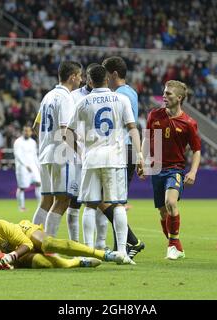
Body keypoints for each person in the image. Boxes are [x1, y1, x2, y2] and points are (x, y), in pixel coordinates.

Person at [66, 65, 143, 265]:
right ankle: (123, 253)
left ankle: (90, 253)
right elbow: (132, 129)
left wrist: (81, 152)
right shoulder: (122, 99)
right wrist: (141, 154)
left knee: (90, 206)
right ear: (107, 79)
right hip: (115, 159)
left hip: (91, 159)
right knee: (117, 205)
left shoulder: (83, 102)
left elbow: (67, 132)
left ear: (89, 81)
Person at [141, 80, 201, 260]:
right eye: (164, 93)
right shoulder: (155, 115)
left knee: (171, 202)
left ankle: (172, 246)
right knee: (162, 211)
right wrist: (142, 161)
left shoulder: (188, 123)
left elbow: (197, 150)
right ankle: (176, 244)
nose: (164, 96)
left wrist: (193, 172)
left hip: (175, 169)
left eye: (169, 94)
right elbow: (147, 139)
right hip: (156, 168)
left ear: (179, 98)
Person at [31, 61, 82, 237]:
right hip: (61, 156)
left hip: (45, 154)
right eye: (80, 76)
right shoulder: (66, 98)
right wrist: (81, 152)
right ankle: (48, 244)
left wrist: (46, 143)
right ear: (73, 76)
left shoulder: (48, 96)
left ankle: (31, 240)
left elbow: (36, 127)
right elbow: (64, 131)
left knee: (46, 201)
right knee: (62, 200)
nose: (81, 80)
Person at [101, 56, 145, 258]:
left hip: (121, 149)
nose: (104, 78)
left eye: (106, 74)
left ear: (114, 74)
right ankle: (123, 246)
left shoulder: (118, 95)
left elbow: (122, 125)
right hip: (129, 150)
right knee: (116, 200)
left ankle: (132, 242)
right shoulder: (131, 92)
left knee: (105, 199)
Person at [66, 63, 109, 249]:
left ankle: (100, 244)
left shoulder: (109, 97)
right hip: (77, 156)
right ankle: (75, 243)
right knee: (74, 202)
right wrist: (78, 151)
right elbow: (67, 130)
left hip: (101, 156)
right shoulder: (74, 97)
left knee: (101, 201)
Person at [0, 219, 129, 270]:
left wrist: (11, 255)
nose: (1, 256)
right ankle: (78, 262)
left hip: (25, 234)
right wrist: (4, 265)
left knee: (48, 243)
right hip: (17, 254)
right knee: (41, 262)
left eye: (0, 253)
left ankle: (104, 254)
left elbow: (27, 243)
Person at [13, 125, 41, 212]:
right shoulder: (18, 142)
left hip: (33, 166)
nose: (27, 132)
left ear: (31, 132)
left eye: (29, 131)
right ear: (23, 131)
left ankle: (40, 205)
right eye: (25, 131)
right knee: (22, 187)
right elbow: (17, 155)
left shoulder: (33, 142)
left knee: (38, 183)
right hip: (22, 168)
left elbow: (35, 155)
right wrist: (25, 165)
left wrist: (39, 166)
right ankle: (21, 207)